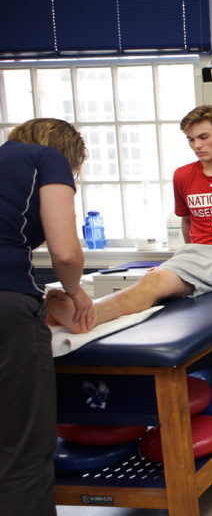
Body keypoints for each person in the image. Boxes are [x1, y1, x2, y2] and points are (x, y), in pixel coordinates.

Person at [47, 105, 212, 433]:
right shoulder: (183, 176)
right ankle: (86, 316)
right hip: (197, 254)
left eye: (203, 137)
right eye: (191, 140)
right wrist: (190, 263)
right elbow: (188, 222)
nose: (197, 145)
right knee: (146, 287)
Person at [1, 118, 93, 516]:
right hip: (7, 307)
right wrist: (75, 292)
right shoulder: (47, 159)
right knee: (21, 446)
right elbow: (67, 252)